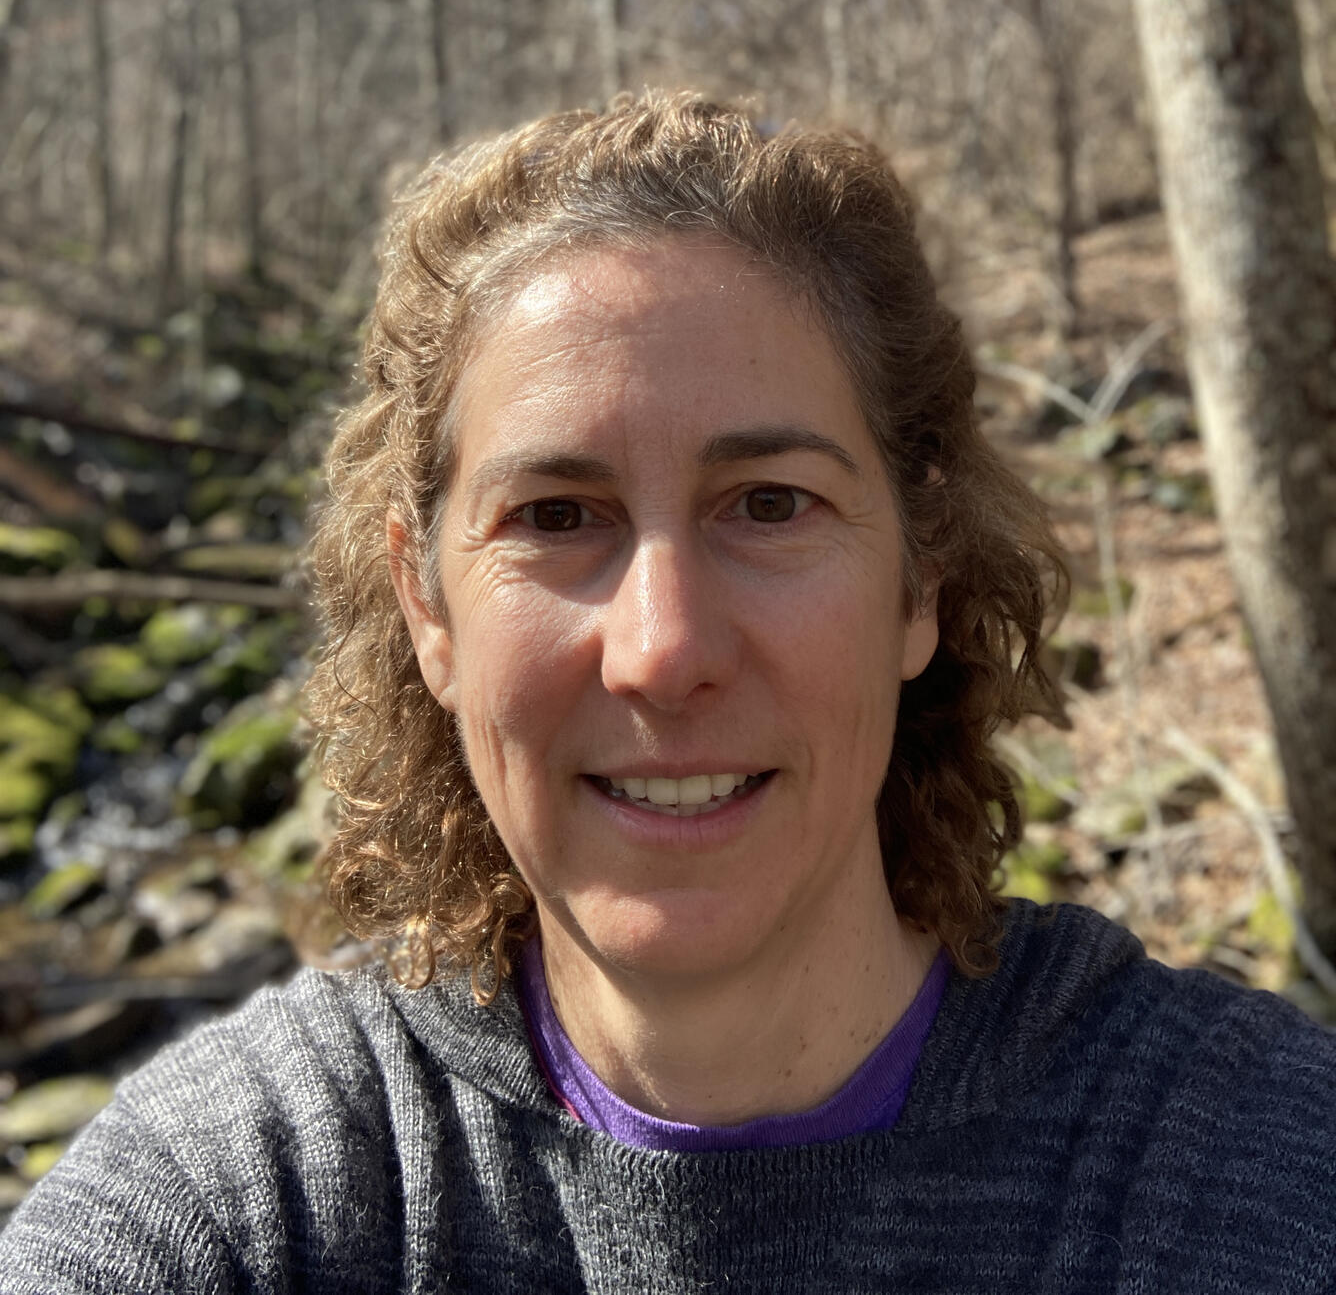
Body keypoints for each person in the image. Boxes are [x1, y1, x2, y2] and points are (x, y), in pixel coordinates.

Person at [2, 92, 1334, 1294]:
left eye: (769, 504)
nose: (662, 645)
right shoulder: (269, 1190)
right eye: (557, 513)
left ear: (921, 578)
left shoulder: (1251, 1168)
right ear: (426, 603)